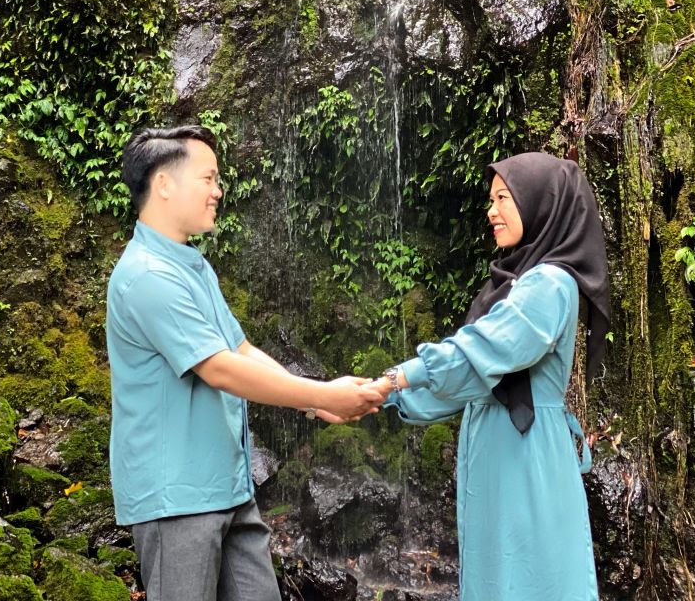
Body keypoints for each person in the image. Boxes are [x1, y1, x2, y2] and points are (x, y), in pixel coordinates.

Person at [105, 124, 385, 601]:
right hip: (177, 497)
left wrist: (315, 401)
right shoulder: (146, 276)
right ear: (164, 184)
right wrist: (323, 393)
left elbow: (241, 351)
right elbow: (219, 368)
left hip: (228, 486)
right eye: (208, 178)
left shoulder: (192, 265)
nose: (218, 191)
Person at [371, 152, 611, 601]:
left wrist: (398, 378)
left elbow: (483, 351)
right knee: (498, 579)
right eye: (491, 199)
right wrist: (379, 395)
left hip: (527, 456)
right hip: (497, 450)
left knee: (534, 578)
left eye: (503, 198)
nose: (491, 211)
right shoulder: (513, 283)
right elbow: (472, 381)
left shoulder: (550, 284)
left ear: (540, 202)